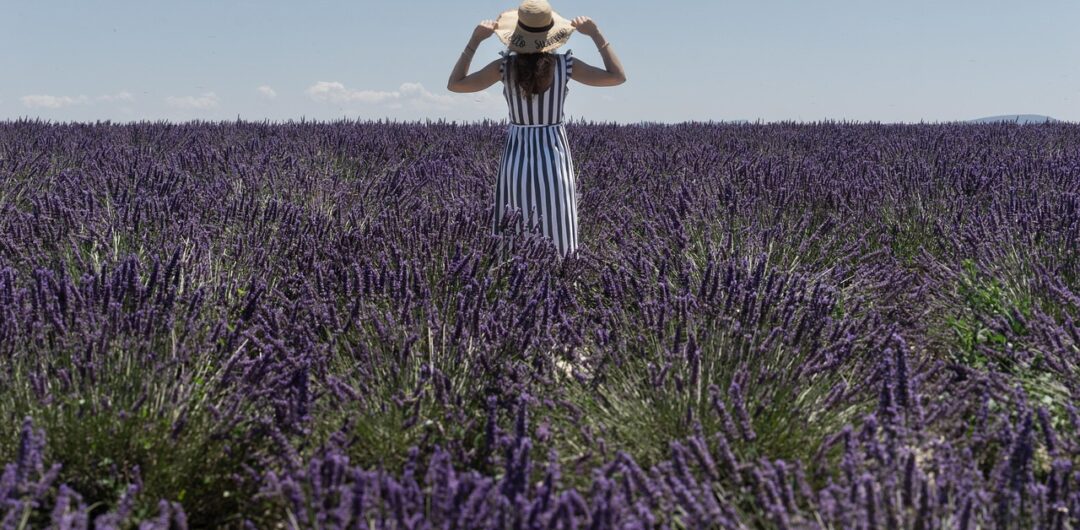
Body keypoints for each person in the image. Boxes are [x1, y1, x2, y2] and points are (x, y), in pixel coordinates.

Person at [447, 0, 626, 258]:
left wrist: (474, 41)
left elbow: (456, 84)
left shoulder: (504, 67)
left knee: (515, 228)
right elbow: (616, 77)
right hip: (554, 155)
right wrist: (596, 34)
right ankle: (560, 281)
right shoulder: (565, 65)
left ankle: (516, 287)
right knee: (558, 224)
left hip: (516, 156)